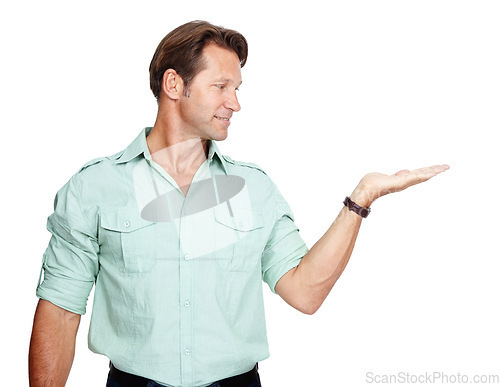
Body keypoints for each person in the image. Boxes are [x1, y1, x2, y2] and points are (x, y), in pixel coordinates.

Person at [28, 20, 449, 387]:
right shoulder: (94, 188)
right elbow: (60, 311)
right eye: (221, 87)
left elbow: (305, 293)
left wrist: (360, 199)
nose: (235, 102)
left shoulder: (255, 189)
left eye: (237, 88)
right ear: (174, 85)